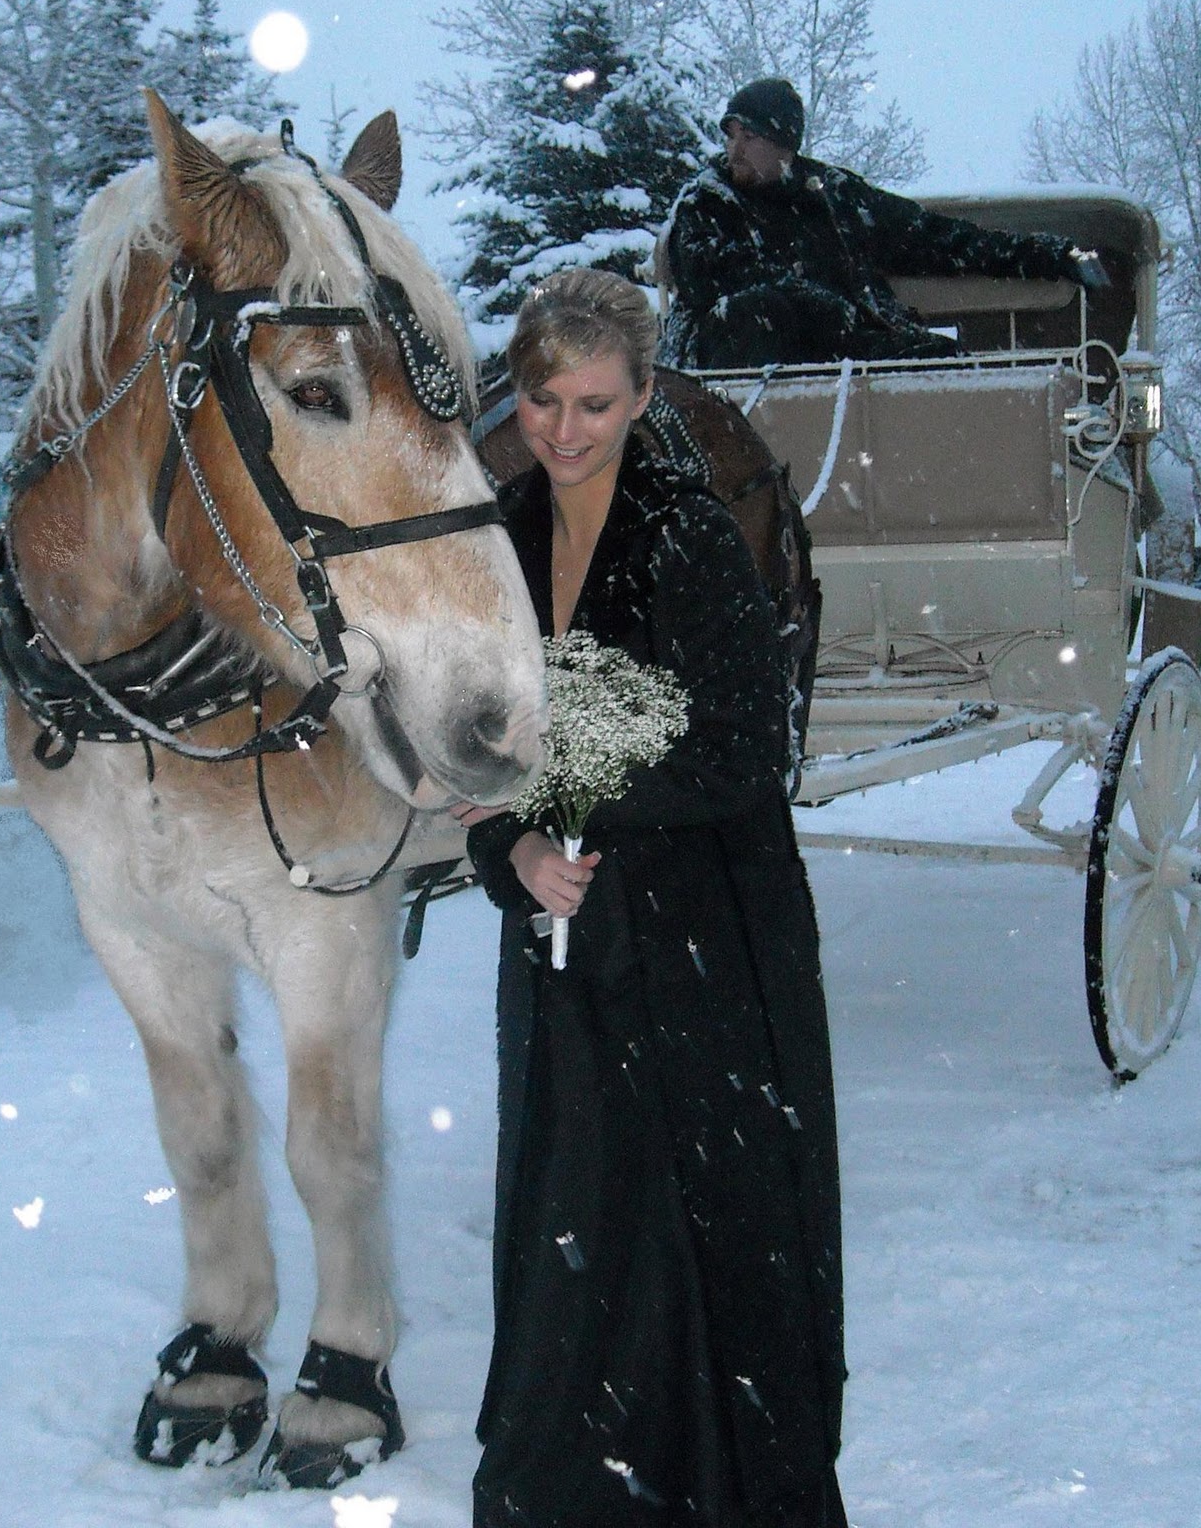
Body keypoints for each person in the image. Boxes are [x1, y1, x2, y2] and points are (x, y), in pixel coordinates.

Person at [453, 267, 847, 1527]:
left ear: (637, 399)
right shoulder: (497, 536)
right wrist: (510, 855)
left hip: (698, 938)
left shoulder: (686, 538)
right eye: (541, 399)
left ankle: (701, 1479)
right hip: (561, 934)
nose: (563, 430)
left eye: (595, 404)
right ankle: (572, 1479)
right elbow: (478, 754)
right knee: (572, 1205)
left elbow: (740, 750)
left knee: (695, 1216)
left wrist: (577, 794)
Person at [660, 76, 1109, 370]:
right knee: (758, 312)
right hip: (749, 382)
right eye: (731, 134)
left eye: (750, 136)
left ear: (785, 145)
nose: (734, 149)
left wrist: (1054, 255)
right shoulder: (706, 202)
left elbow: (938, 238)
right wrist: (818, 305)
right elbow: (710, 281)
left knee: (951, 367)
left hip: (855, 360)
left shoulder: (834, 198)